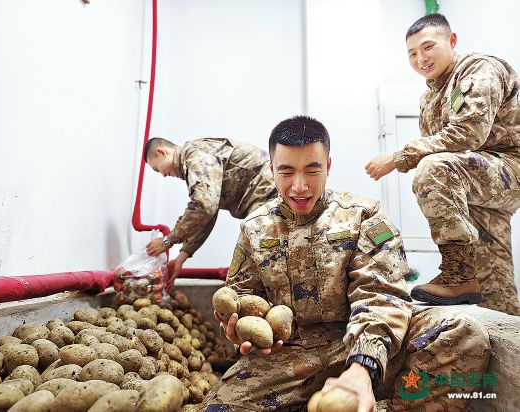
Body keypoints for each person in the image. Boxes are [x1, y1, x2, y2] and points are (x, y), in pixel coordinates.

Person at [200, 115, 490, 411]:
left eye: (312, 170)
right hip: (288, 359)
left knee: (463, 332)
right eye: (286, 172)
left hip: (361, 343)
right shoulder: (254, 229)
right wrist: (236, 330)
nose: (299, 186)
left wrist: (363, 367)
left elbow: (381, 295)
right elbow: (242, 297)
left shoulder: (364, 216)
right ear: (272, 170)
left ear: (328, 167)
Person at [365, 13, 520, 315]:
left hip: (509, 168)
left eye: (428, 47)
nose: (420, 58)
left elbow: (467, 133)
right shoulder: (429, 99)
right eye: (412, 53)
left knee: (434, 169)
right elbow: (440, 145)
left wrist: (398, 158)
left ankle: (457, 274)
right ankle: (507, 329)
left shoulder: (479, 70)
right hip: (476, 181)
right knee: (493, 288)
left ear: (452, 40)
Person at [143, 137, 277, 285]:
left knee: (265, 266)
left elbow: (204, 206)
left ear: (161, 152)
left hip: (268, 194)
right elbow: (206, 214)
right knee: (261, 265)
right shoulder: (194, 160)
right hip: (265, 197)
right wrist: (181, 258)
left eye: (157, 169)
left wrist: (167, 241)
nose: (162, 174)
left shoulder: (195, 155)